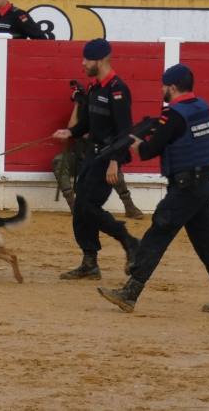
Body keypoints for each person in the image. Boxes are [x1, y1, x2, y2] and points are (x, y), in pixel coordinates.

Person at [97, 63, 209, 314]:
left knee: (158, 234)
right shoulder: (202, 107)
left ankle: (130, 292)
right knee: (207, 241)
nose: (162, 89)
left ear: (172, 87)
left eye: (164, 86)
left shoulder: (173, 115)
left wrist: (133, 141)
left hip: (185, 188)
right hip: (205, 184)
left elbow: (148, 150)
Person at [52, 39, 140, 281]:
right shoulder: (94, 88)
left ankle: (129, 240)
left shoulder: (118, 90)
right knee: (82, 207)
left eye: (87, 59)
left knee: (87, 207)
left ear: (100, 60)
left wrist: (115, 161)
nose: (83, 63)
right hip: (92, 154)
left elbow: (125, 131)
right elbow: (89, 122)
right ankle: (90, 262)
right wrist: (70, 132)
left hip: (107, 157)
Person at [52, 79, 145, 218]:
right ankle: (74, 205)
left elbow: (95, 132)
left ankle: (129, 205)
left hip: (98, 156)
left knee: (114, 168)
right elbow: (72, 128)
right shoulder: (85, 108)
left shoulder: (102, 111)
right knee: (59, 161)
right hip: (80, 157)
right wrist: (77, 104)